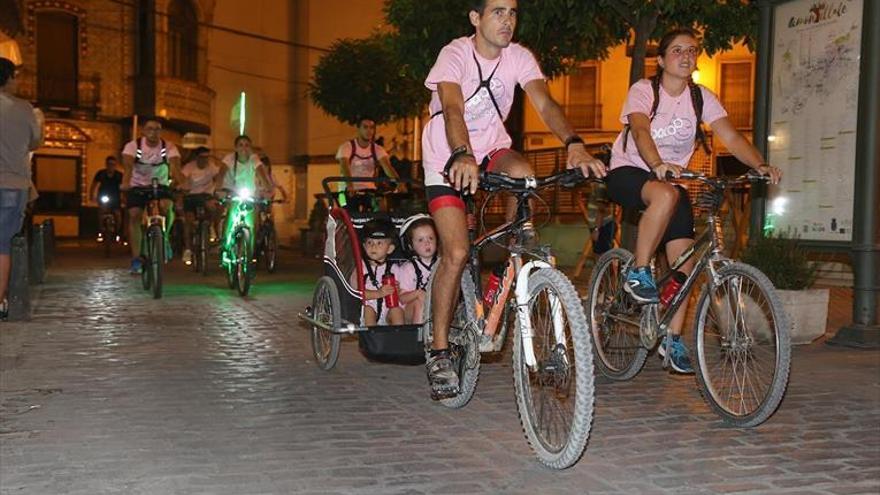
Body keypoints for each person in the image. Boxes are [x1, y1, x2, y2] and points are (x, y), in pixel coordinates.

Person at [420, 0, 606, 399]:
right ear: (475, 18)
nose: (508, 21)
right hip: (446, 155)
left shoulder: (519, 56)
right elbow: (452, 108)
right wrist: (460, 153)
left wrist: (573, 143)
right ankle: (438, 349)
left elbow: (545, 103)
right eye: (498, 12)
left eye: (513, 13)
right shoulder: (454, 54)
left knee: (526, 175)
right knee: (455, 253)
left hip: (491, 149)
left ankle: (514, 251)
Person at [606, 27, 782, 373]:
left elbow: (731, 137)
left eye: (692, 51)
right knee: (666, 193)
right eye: (677, 51)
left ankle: (672, 339)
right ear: (661, 59)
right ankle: (638, 271)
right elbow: (640, 130)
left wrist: (759, 163)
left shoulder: (701, 97)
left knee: (684, 265)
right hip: (630, 172)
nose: (686, 56)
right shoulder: (644, 90)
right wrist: (656, 164)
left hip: (672, 182)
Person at [0, 57, 43, 319]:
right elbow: (34, 142)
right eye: (15, 76)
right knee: (2, 245)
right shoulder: (24, 109)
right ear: (8, 79)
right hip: (11, 185)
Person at [121, 117, 182, 274]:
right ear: (144, 131)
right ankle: (136, 259)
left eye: (157, 129)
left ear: (161, 132)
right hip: (138, 185)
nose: (153, 132)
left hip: (160, 185)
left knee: (167, 206)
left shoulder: (168, 147)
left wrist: (180, 181)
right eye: (150, 129)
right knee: (134, 215)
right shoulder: (133, 146)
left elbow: (175, 165)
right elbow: (127, 166)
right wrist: (125, 183)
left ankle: (165, 238)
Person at [217, 135, 272, 258]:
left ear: (250, 148)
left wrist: (268, 189)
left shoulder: (254, 159)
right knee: (231, 213)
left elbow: (262, 174)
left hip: (249, 193)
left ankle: (249, 254)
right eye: (241, 145)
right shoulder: (229, 159)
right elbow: (221, 174)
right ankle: (225, 244)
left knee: (252, 222)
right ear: (235, 148)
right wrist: (218, 189)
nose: (244, 148)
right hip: (231, 190)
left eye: (247, 145)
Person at [335, 117, 400, 212]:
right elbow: (345, 166)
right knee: (346, 210)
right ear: (358, 129)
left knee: (381, 209)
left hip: (369, 190)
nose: (369, 131)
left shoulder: (377, 149)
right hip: (345, 190)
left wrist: (399, 183)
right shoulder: (347, 147)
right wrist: (350, 185)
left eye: (372, 128)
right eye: (365, 127)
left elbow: (387, 167)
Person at [354, 219, 405, 326]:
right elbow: (355, 293)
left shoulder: (395, 269)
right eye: (369, 242)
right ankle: (372, 339)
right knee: (368, 310)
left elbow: (403, 294)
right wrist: (379, 293)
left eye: (379, 243)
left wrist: (398, 290)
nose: (374, 246)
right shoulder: (360, 268)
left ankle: (399, 338)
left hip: (388, 310)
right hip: (367, 309)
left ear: (390, 249)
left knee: (397, 311)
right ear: (364, 246)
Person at [179, 146, 222, 265]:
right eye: (202, 157)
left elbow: (220, 176)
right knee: (188, 221)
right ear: (196, 157)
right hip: (191, 196)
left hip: (206, 196)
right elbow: (182, 180)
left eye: (207, 157)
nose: (205, 160)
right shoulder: (189, 167)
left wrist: (219, 188)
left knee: (216, 206)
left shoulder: (212, 166)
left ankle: (212, 226)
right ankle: (188, 249)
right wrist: (182, 186)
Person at [396, 214, 438, 324]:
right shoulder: (408, 268)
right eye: (420, 240)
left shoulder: (441, 264)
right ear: (410, 246)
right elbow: (401, 298)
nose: (427, 243)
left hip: (436, 308)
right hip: (411, 311)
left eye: (431, 238)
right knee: (419, 303)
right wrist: (418, 294)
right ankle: (419, 336)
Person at [89, 155, 124, 242]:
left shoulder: (119, 175)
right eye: (109, 164)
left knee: (118, 215)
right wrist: (92, 195)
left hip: (115, 197)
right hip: (103, 196)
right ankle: (101, 230)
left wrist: (124, 197)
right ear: (106, 164)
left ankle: (117, 232)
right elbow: (94, 185)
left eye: (113, 164)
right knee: (101, 212)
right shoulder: (101, 174)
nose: (111, 166)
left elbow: (123, 188)